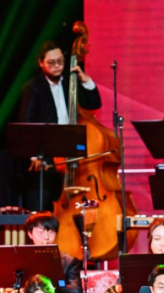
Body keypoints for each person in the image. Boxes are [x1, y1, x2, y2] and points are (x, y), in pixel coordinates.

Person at [19, 42, 102, 210]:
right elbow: (26, 123)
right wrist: (33, 155)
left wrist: (85, 80)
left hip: (71, 150)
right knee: (42, 203)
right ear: (41, 63)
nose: (57, 66)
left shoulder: (71, 82)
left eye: (60, 61)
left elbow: (94, 103)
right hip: (47, 154)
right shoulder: (33, 88)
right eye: (51, 62)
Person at [22, 213, 83, 293]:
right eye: (41, 232)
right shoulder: (21, 260)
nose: (46, 237)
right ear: (30, 234)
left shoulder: (69, 261)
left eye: (51, 231)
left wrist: (55, 281)